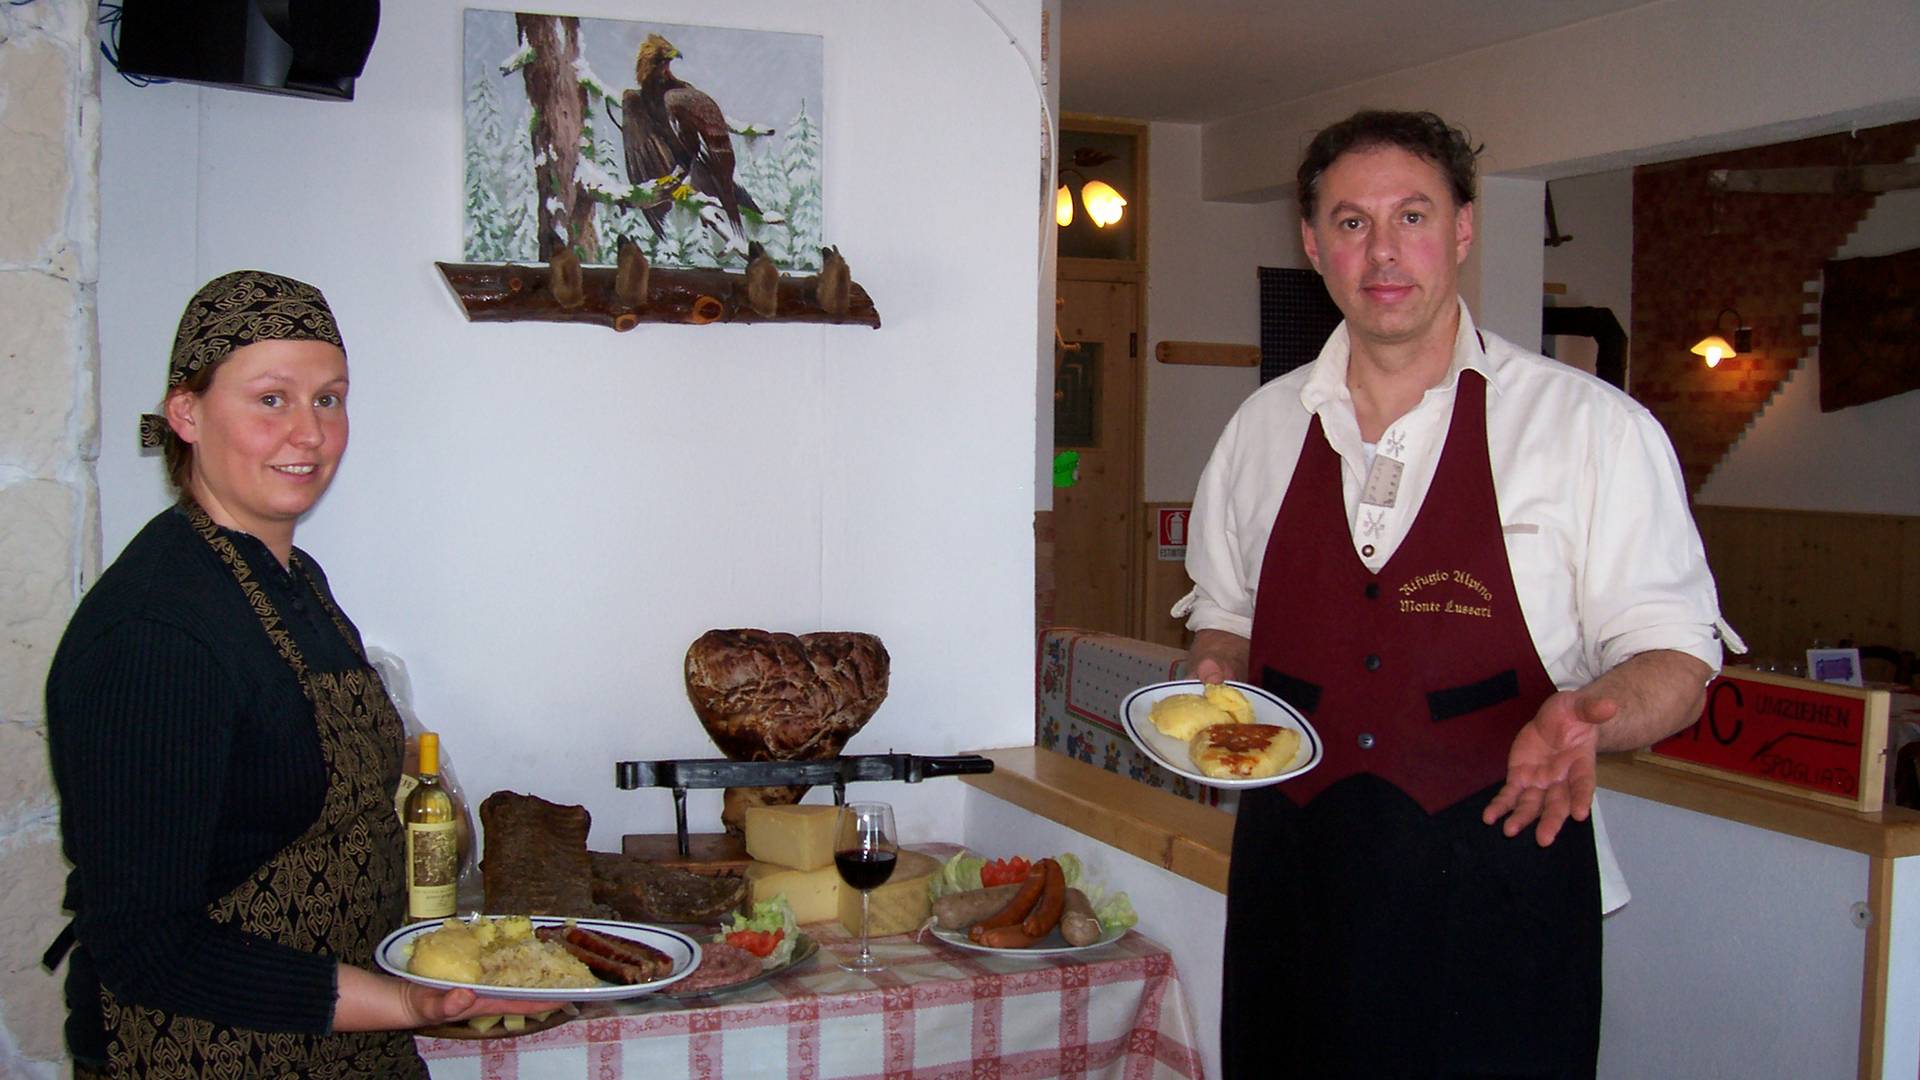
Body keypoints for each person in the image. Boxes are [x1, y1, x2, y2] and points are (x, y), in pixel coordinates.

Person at [1177, 112, 1736, 1077]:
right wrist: (1217, 666)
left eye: (1413, 216)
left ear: (1464, 230)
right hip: (1294, 887)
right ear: (1312, 244)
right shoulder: (1260, 430)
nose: (1383, 252)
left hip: (1501, 895)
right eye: (1351, 223)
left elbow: (1677, 660)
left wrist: (1593, 714)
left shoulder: (1591, 431)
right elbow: (1224, 610)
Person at [44, 271, 545, 1078]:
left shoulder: (294, 579)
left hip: (339, 1040)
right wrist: (407, 1003)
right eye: (271, 399)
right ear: (186, 413)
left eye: (330, 399)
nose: (309, 434)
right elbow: (145, 946)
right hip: (204, 1051)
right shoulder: (156, 629)